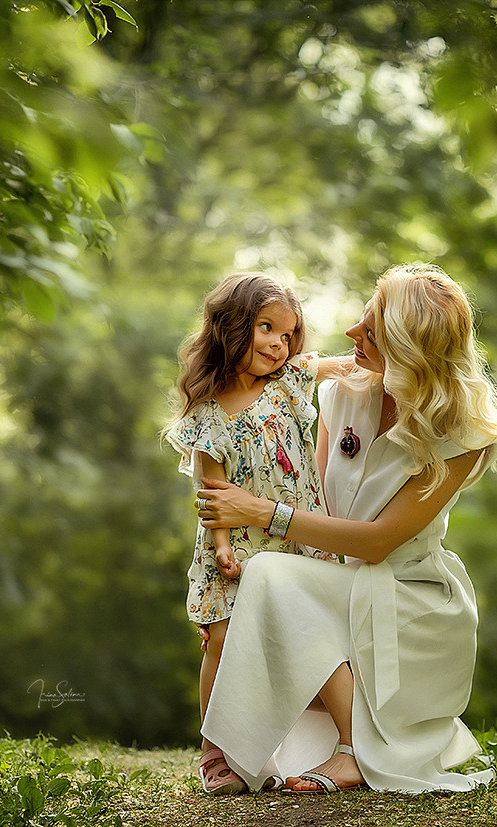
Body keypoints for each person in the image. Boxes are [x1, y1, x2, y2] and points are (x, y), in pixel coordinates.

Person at [195, 262, 497, 794]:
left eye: (369, 330)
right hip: (334, 583)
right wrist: (234, 604)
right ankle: (233, 753)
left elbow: (378, 543)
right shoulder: (344, 394)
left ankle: (351, 752)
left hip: (407, 598)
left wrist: (259, 513)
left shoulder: (463, 434)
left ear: (407, 348)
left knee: (271, 577)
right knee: (258, 583)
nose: (351, 333)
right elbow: (313, 504)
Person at [165, 272, 351, 795]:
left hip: (296, 539)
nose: (278, 344)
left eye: (288, 334)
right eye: (266, 328)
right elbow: (212, 490)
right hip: (237, 544)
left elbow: (343, 364)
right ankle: (215, 753)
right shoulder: (208, 411)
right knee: (223, 642)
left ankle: (349, 744)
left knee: (311, 639)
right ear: (231, 327)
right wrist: (222, 548)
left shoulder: (289, 383)